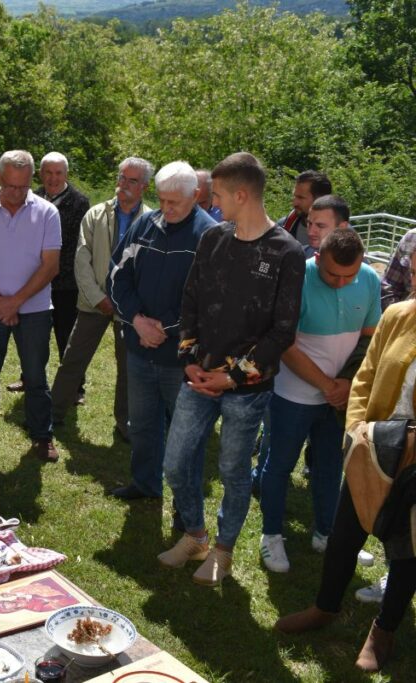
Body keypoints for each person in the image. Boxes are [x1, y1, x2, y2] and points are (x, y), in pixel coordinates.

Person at [158, 152, 305, 587]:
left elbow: (282, 332)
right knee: (176, 462)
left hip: (247, 390)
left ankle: (223, 550)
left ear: (242, 194)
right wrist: (189, 362)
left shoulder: (286, 252)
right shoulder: (214, 238)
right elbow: (191, 302)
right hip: (198, 378)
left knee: (233, 470)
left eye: (217, 194)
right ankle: (195, 535)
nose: (212, 201)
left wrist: (232, 377)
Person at [274, 257, 416, 672]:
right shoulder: (398, 314)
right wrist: (356, 432)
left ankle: (383, 631)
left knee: (407, 551)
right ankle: (324, 608)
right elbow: (367, 374)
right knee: (343, 537)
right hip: (374, 450)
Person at [258, 229, 380, 573]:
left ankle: (327, 533)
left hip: (338, 399)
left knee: (330, 468)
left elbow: (369, 339)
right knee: (279, 465)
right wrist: (328, 385)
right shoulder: (296, 278)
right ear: (317, 255)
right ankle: (271, 535)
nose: (341, 283)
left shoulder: (369, 279)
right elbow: (285, 342)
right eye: (331, 274)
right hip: (293, 395)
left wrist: (345, 384)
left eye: (349, 275)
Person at [108, 161, 216, 500]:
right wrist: (137, 319)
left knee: (185, 435)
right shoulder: (144, 224)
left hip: (182, 358)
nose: (166, 209)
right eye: (162, 200)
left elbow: (208, 300)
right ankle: (145, 484)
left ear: (196, 196)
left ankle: (187, 509)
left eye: (175, 203)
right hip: (140, 348)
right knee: (141, 424)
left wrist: (163, 328)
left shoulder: (210, 236)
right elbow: (117, 275)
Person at [0, 150, 61, 462]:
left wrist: (15, 302)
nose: (18, 193)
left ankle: (42, 435)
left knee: (35, 374)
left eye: (24, 186)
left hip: (35, 310)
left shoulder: (47, 213)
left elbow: (50, 266)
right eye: (11, 186)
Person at [51, 157, 152, 441]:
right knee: (73, 359)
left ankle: (125, 423)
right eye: (121, 177)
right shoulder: (96, 214)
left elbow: (149, 271)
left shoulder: (151, 221)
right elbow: (81, 260)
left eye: (132, 181)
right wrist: (98, 298)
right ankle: (53, 413)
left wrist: (127, 304)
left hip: (130, 310)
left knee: (129, 368)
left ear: (144, 186)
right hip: (94, 303)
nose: (124, 185)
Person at [7, 152, 90, 395]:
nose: (53, 178)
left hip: (65, 283)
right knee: (32, 337)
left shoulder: (79, 202)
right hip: (32, 282)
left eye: (58, 173)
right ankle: (29, 377)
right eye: (48, 173)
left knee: (67, 337)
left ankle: (76, 388)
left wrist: (51, 270)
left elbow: (75, 244)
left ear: (66, 174)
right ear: (40, 174)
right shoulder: (29, 197)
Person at [277, 170, 332, 248]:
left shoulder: (342, 235)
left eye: (300, 198)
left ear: (321, 199)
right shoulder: (283, 227)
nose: (294, 203)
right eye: (295, 196)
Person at [379, 226, 416, 309]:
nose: (413, 283)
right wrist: (395, 314)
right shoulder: (412, 238)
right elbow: (390, 287)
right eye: (413, 273)